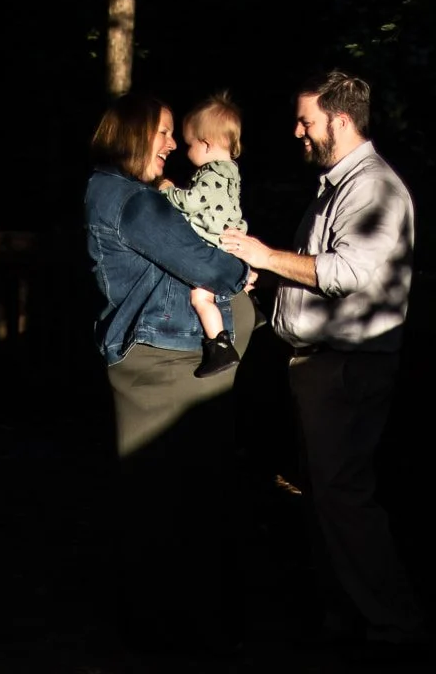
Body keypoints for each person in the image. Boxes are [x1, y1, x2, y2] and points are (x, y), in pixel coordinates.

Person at [220, 70, 427, 655]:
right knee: (328, 497)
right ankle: (351, 621)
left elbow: (349, 273)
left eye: (305, 120)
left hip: (346, 368)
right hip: (319, 365)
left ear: (340, 120)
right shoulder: (337, 185)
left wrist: (265, 253)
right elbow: (315, 267)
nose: (297, 131)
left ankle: (393, 628)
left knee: (343, 497)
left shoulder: (375, 189)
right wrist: (262, 269)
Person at [84, 92, 256, 646]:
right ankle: (172, 628)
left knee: (162, 493)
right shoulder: (135, 203)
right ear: (133, 135)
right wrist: (241, 267)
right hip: (166, 363)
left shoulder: (113, 190)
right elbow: (205, 261)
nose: (170, 144)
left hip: (165, 358)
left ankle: (165, 620)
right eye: (160, 132)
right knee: (175, 496)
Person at [158, 92, 247, 379]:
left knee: (201, 299)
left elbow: (192, 202)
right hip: (228, 243)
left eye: (189, 145)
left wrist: (168, 192)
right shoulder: (231, 172)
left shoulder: (211, 174)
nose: (186, 152)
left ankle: (220, 345)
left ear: (206, 144)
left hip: (212, 245)